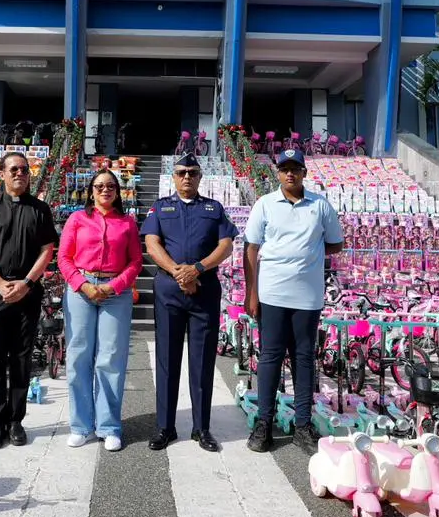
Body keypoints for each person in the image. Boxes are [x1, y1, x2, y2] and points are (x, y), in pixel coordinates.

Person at [242, 147, 344, 453]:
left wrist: (307, 255)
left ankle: (302, 424)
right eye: (285, 168)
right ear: (277, 172)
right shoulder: (264, 204)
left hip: (307, 297)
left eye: (295, 168)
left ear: (304, 173)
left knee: (303, 358)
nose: (290, 173)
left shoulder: (320, 205)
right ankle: (264, 424)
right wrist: (252, 292)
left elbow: (335, 244)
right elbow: (251, 248)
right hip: (272, 294)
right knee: (270, 356)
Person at [141, 154, 236, 452]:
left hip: (204, 290)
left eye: (192, 173)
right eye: (181, 172)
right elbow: (151, 243)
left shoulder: (214, 208)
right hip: (170, 290)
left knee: (203, 361)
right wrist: (178, 272)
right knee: (167, 360)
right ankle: (165, 427)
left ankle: (201, 428)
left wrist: (197, 269)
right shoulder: (160, 207)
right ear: (173, 176)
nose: (187, 177)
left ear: (200, 177)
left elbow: (226, 245)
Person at [0, 151, 58, 450]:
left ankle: (16, 420)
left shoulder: (40, 210)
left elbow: (47, 249)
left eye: (24, 169)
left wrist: (27, 283)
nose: (20, 173)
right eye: (14, 169)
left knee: (21, 359)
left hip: (28, 291)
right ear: (2, 173)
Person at [56, 168, 143, 451]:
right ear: (91, 191)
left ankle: (109, 426)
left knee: (110, 359)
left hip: (115, 293)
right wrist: (83, 285)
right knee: (79, 356)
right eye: (99, 186)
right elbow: (64, 258)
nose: (105, 190)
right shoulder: (78, 219)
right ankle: (81, 425)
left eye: (111, 186)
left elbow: (135, 263)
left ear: (118, 192)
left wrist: (114, 286)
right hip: (81, 291)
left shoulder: (127, 223)